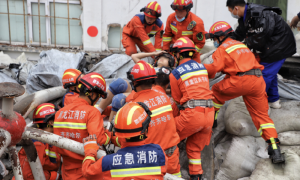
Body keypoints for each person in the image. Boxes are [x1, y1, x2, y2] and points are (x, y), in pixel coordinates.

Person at [205, 21, 285, 164]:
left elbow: (214, 69)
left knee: (216, 90)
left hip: (240, 81)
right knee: (262, 116)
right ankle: (275, 149)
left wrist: (201, 68)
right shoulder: (241, 45)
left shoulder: (222, 49)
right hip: (257, 80)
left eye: (214, 39)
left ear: (220, 37)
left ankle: (212, 120)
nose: (214, 42)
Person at [226, 0, 296, 108]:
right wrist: (226, 43)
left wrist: (244, 44)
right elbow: (239, 33)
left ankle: (258, 104)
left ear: (236, 8)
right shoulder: (245, 17)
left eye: (230, 11)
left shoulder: (259, 14)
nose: (232, 14)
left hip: (279, 46)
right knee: (270, 73)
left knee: (264, 75)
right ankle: (274, 100)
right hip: (271, 46)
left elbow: (262, 36)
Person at [82, 102, 167, 179]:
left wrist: (90, 150)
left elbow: (87, 171)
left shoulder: (108, 162)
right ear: (144, 131)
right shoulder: (159, 153)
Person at [125, 61, 181, 177]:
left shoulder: (134, 105)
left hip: (151, 159)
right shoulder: (164, 97)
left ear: (134, 82)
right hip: (171, 155)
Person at [169, 37, 214, 180]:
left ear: (178, 54)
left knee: (168, 138)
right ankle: (196, 176)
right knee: (194, 148)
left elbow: (177, 99)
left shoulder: (175, 73)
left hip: (193, 114)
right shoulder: (202, 67)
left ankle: (173, 175)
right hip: (209, 115)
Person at [53, 72, 111, 180]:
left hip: (66, 170)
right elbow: (100, 139)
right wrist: (109, 135)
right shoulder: (92, 112)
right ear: (92, 94)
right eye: (98, 96)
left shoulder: (60, 112)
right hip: (85, 170)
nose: (97, 99)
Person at [13, 103, 61, 180]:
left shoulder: (48, 138)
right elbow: (28, 174)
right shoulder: (38, 143)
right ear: (51, 122)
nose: (62, 121)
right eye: (59, 118)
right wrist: (53, 176)